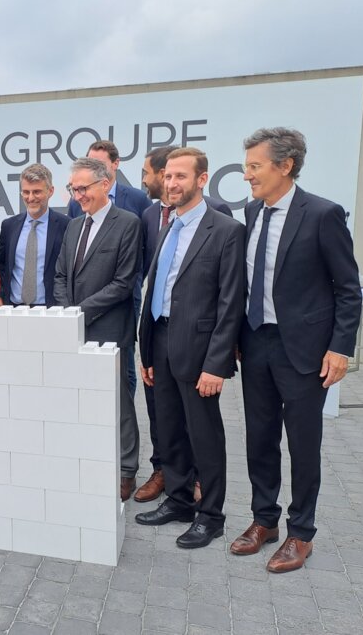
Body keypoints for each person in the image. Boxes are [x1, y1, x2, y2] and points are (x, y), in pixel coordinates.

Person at [230, 128, 361, 572]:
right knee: (259, 437)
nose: (247, 175)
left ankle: (301, 532)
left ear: (285, 166)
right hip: (256, 342)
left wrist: (340, 348)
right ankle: (264, 520)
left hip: (304, 351)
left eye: (255, 166)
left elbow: (347, 289)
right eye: (246, 166)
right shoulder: (252, 211)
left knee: (303, 444)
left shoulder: (322, 214)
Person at [135, 148, 245, 548]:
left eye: (181, 176)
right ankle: (179, 500)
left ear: (202, 179)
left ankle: (211, 515)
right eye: (168, 176)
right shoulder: (168, 226)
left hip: (199, 351)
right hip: (161, 340)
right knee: (168, 428)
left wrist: (217, 364)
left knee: (204, 435)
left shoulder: (225, 230)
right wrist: (148, 351)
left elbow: (231, 303)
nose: (171, 183)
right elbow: (157, 290)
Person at [54, 157, 141, 502]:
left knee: (118, 403)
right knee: (81, 399)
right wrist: (68, 313)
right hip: (74, 328)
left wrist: (81, 312)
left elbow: (123, 282)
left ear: (105, 184)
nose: (78, 195)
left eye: (83, 188)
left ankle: (126, 470)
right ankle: (89, 461)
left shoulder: (127, 223)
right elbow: (61, 274)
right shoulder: (74, 225)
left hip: (109, 329)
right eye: (73, 189)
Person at [0, 163, 70, 307]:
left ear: (50, 191)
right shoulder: (9, 226)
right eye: (26, 192)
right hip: (13, 308)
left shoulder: (66, 225)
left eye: (37, 192)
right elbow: (0, 264)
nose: (30, 197)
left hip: (51, 309)